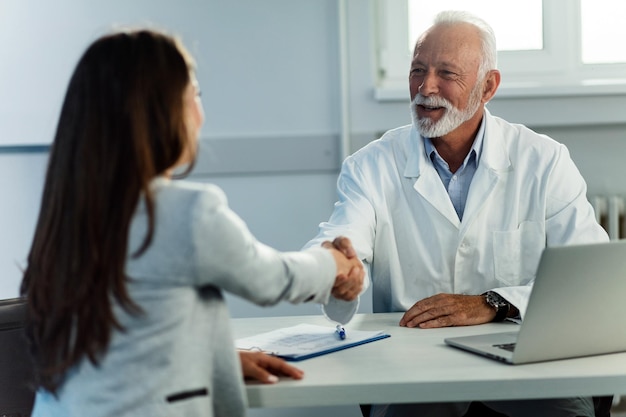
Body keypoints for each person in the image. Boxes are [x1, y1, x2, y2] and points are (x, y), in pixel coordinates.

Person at [20, 29, 364, 417]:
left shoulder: (69, 216)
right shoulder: (185, 212)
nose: (201, 111)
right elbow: (273, 278)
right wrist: (334, 263)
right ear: (161, 114)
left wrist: (217, 360)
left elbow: (127, 336)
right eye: (195, 94)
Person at [305, 10, 609, 417]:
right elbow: (342, 241)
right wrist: (335, 271)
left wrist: (494, 302)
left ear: (488, 87)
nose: (425, 87)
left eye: (446, 73)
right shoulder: (370, 166)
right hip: (415, 377)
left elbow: (591, 280)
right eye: (417, 70)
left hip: (530, 376)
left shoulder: (544, 161)